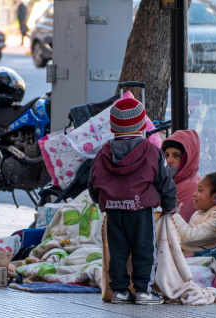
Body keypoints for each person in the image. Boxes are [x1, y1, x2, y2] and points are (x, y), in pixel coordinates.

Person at [88, 97, 177, 305]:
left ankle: (119, 291)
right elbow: (165, 182)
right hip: (141, 210)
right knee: (144, 249)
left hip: (113, 210)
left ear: (112, 125)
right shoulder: (151, 151)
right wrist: (168, 206)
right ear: (142, 124)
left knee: (117, 251)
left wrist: (99, 200)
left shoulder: (103, 153)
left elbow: (93, 182)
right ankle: (144, 291)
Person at [173, 171, 216, 254]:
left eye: (200, 190)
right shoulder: (200, 212)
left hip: (201, 259)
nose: (194, 194)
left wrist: (174, 214)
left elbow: (189, 238)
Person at [161, 129, 200, 223]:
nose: (169, 160)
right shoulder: (175, 180)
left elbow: (180, 226)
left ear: (187, 159)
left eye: (176, 156)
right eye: (166, 155)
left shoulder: (189, 186)